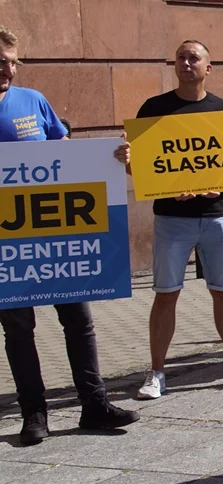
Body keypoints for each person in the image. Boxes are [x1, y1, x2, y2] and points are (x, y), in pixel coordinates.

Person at [0, 27, 140, 444]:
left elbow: (67, 153)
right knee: (18, 328)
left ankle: (94, 405)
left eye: (12, 61)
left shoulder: (33, 101)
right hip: (8, 241)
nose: (7, 68)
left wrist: (113, 158)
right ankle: (34, 413)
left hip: (57, 232)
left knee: (79, 320)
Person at [134, 40, 223, 399]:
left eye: (194, 57)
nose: (186, 62)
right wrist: (128, 157)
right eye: (180, 57)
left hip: (216, 217)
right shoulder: (155, 108)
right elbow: (141, 165)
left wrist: (221, 182)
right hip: (171, 218)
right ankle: (157, 374)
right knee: (166, 295)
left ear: (208, 68)